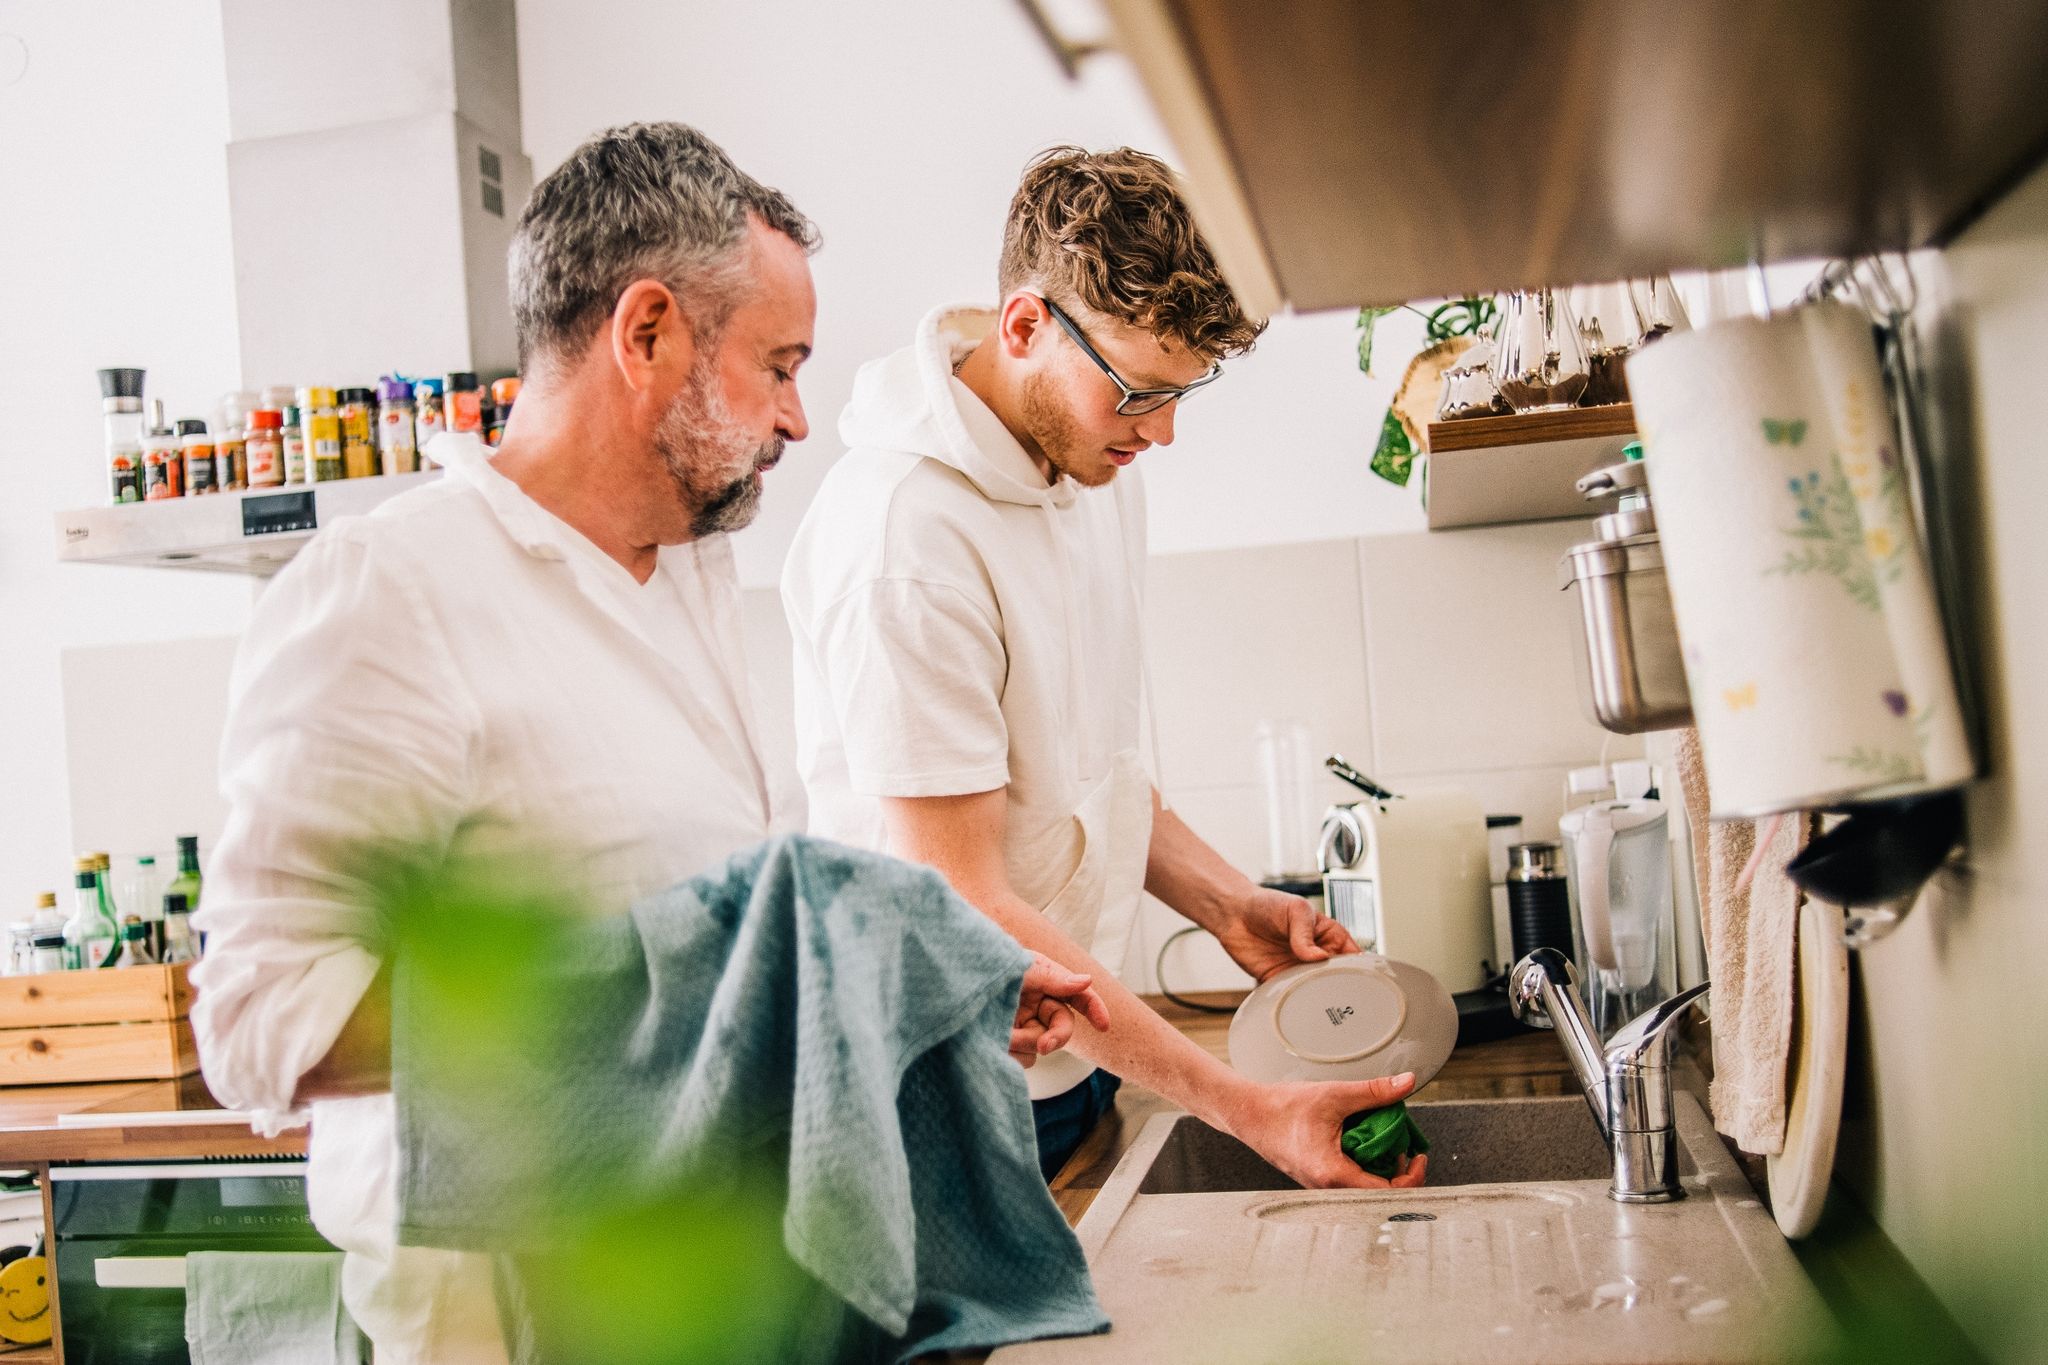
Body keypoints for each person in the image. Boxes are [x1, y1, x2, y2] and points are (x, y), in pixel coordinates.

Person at [190, 122, 1102, 1365]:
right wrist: (668, 997)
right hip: (505, 1321)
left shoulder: (689, 580)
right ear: (647, 332)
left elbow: (721, 939)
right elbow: (256, 1025)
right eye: (778, 365)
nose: (795, 418)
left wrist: (883, 988)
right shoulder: (385, 595)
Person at [782, 147, 1429, 1188]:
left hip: (1072, 1057)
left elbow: (1087, 782)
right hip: (925, 1103)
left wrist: (1229, 907)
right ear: (1025, 326)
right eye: (1134, 392)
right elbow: (965, 895)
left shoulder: (1093, 471)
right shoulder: (904, 540)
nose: (1162, 432)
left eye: (1183, 391)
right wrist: (1246, 1109)